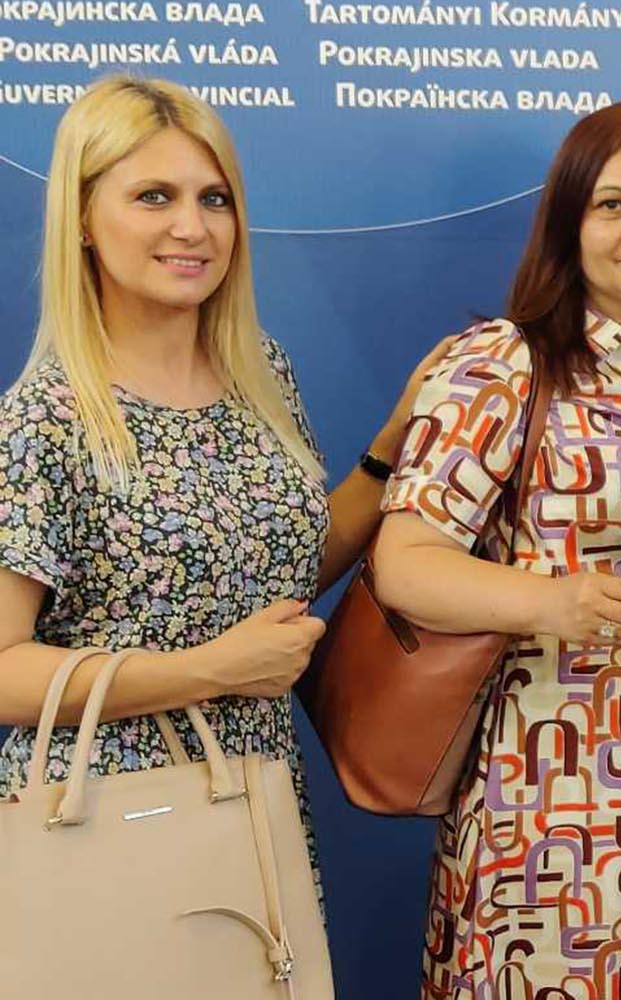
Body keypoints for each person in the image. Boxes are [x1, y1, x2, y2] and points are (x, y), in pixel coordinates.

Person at [0, 76, 443, 876]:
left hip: (254, 801)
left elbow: (273, 580)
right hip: (101, 826)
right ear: (83, 220)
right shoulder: (47, 417)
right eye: (153, 196)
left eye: (214, 199)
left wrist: (389, 451)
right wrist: (207, 672)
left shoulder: (259, 375)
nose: (192, 227)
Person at [371, 99, 621, 999]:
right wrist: (554, 600)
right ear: (570, 223)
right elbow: (405, 562)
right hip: (546, 808)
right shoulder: (502, 363)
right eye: (613, 204)